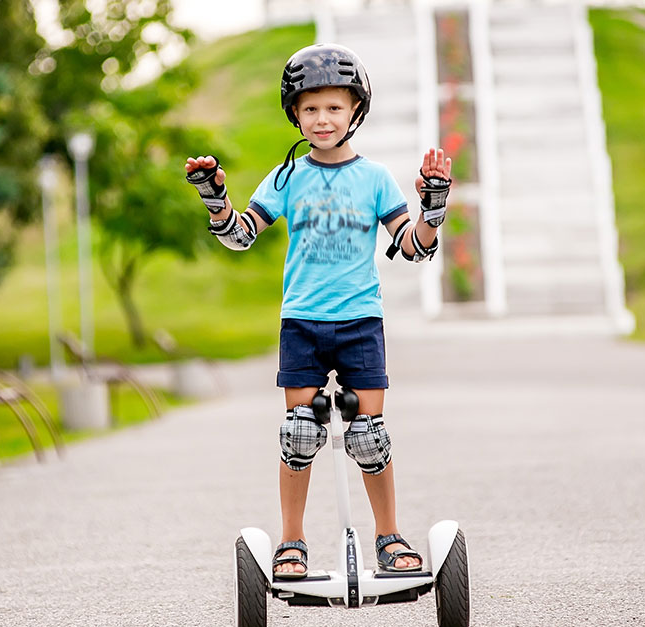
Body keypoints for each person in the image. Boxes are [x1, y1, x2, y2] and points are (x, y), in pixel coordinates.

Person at [184, 43, 452, 579]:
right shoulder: (287, 178)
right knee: (299, 435)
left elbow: (413, 246)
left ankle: (389, 536)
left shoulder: (375, 178)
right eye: (310, 109)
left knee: (369, 436)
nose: (322, 119)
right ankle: (291, 542)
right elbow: (241, 236)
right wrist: (215, 198)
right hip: (302, 321)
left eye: (333, 107)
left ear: (355, 110)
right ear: (294, 114)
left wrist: (434, 208)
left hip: (360, 322)